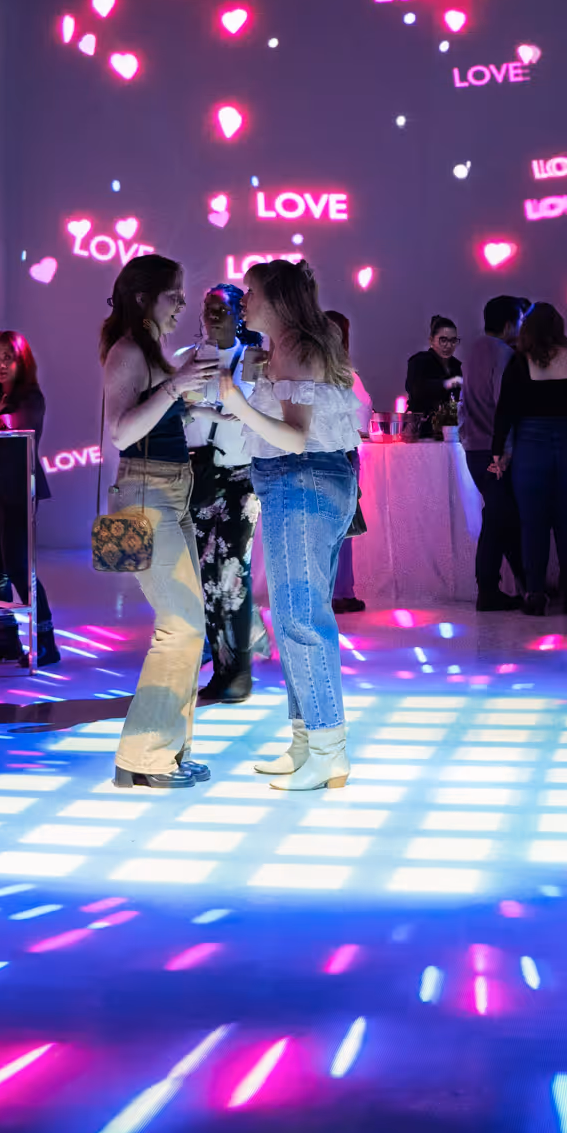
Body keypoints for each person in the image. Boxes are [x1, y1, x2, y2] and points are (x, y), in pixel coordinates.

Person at [219, 260, 360, 790]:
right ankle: (308, 743)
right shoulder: (286, 347)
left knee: (301, 618)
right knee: (297, 614)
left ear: (275, 298)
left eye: (251, 292)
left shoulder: (299, 346)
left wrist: (237, 398)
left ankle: (327, 750)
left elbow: (296, 437)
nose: (243, 301)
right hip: (296, 482)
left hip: (302, 480)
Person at [102, 255, 219, 788]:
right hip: (145, 495)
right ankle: (143, 757)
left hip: (170, 491)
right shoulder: (127, 352)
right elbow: (121, 433)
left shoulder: (153, 353)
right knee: (182, 625)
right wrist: (177, 388)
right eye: (174, 294)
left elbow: (165, 415)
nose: (182, 305)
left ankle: (168, 751)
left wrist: (211, 409)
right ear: (146, 297)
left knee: (188, 627)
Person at [173, 287, 261, 699]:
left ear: (238, 313)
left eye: (221, 308)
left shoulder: (253, 357)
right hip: (200, 475)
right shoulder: (186, 359)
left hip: (242, 477)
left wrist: (199, 407)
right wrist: (200, 408)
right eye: (207, 308)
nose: (211, 315)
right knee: (207, 576)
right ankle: (223, 668)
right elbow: (171, 407)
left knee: (233, 573)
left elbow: (247, 411)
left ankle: (239, 671)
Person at [490, 302, 567, 617]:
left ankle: (535, 594)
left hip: (530, 447)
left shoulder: (517, 363)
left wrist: (497, 449)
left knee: (532, 524)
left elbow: (505, 411)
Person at [0, 330, 59, 668]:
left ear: (22, 362)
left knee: (19, 567)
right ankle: (7, 639)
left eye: (7, 358)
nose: (0, 365)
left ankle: (46, 641)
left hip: (16, 493)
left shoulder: (31, 397)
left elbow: (22, 422)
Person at [459, 296, 529, 609]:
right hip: (494, 449)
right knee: (501, 516)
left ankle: (521, 584)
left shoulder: (474, 349)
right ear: (509, 323)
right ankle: (489, 590)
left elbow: (463, 402)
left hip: (475, 447)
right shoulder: (503, 354)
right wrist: (506, 451)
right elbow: (506, 406)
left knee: (500, 514)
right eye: (520, 320)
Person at [327, 308, 370, 614]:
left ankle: (333, 591)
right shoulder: (346, 375)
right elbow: (363, 418)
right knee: (342, 528)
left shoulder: (306, 370)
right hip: (342, 455)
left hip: (318, 454)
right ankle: (340, 592)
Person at [402, 315, 463, 439]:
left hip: (451, 431)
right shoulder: (420, 361)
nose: (448, 345)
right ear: (431, 340)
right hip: (421, 429)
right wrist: (447, 383)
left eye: (453, 340)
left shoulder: (457, 365)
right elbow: (415, 389)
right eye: (443, 340)